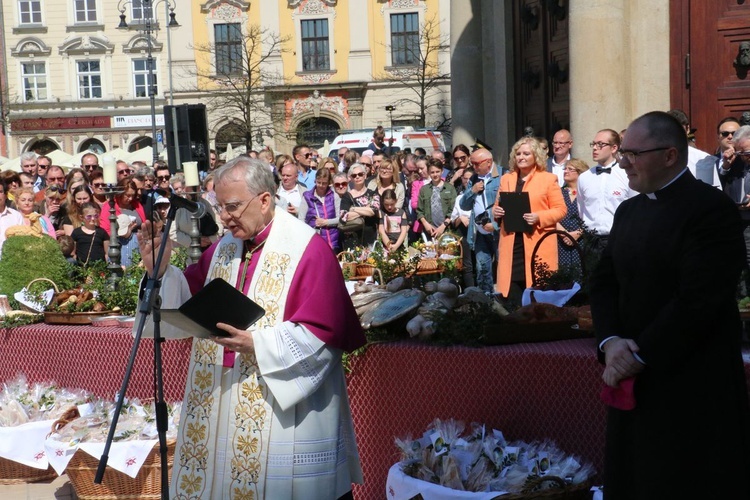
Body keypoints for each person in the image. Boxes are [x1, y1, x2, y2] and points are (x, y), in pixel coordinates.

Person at [136, 157, 365, 499]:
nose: (224, 217)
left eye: (232, 207)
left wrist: (259, 344)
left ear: (264, 199)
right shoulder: (223, 250)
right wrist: (161, 271)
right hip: (225, 401)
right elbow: (182, 303)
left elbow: (324, 336)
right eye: (220, 207)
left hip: (282, 408)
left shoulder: (307, 250)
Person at [592, 111, 750, 499]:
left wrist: (640, 354)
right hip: (634, 371)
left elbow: (700, 298)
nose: (623, 162)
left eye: (633, 154)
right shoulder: (630, 210)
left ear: (669, 155)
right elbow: (603, 281)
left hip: (692, 380)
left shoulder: (711, 210)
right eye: (623, 152)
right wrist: (610, 341)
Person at [492, 137, 566, 303]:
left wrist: (539, 217)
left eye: (526, 153)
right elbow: (498, 207)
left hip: (537, 245)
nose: (521, 157)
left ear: (536, 156)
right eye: (518, 154)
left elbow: (560, 210)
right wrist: (496, 212)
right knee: (511, 297)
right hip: (511, 247)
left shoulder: (548, 179)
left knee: (536, 300)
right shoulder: (506, 178)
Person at [576, 129, 635, 253]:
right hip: (591, 242)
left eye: (601, 144)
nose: (595, 148)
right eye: (594, 144)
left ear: (614, 148)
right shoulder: (584, 178)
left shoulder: (626, 175)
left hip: (619, 240)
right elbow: (582, 210)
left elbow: (635, 209)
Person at [460, 147, 501, 294]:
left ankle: (505, 302)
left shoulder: (503, 175)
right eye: (472, 164)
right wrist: (472, 191)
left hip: (499, 231)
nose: (474, 167)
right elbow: (463, 205)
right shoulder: (473, 179)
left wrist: (495, 225)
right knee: (482, 267)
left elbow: (509, 205)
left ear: (488, 162)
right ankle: (485, 301)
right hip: (480, 233)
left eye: (477, 164)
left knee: (503, 267)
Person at [100, 177, 145, 267]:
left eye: (133, 195)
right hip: (120, 245)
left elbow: (144, 222)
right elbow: (105, 230)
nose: (130, 198)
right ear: (120, 193)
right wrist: (127, 230)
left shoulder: (136, 205)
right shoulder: (110, 206)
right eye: (127, 195)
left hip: (139, 243)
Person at [556, 158, 588, 270]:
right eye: (565, 169)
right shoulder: (557, 192)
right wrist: (564, 234)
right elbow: (552, 216)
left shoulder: (587, 192)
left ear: (580, 172)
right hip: (560, 241)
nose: (566, 171)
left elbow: (593, 216)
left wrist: (578, 233)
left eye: (570, 169)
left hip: (582, 240)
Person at [340, 163, 380, 249]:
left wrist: (353, 208)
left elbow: (374, 211)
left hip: (370, 237)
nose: (357, 177)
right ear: (351, 178)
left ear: (365, 176)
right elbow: (344, 216)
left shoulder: (373, 193)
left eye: (360, 174)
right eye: (354, 175)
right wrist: (366, 209)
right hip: (352, 239)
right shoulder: (347, 196)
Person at [417, 157, 457, 239]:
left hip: (446, 229)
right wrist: (425, 224)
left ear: (442, 171)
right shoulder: (424, 189)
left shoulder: (450, 188)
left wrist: (443, 226)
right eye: (432, 172)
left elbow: (453, 210)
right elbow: (420, 211)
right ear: (428, 172)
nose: (435, 175)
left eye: (437, 172)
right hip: (429, 229)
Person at [303, 167, 341, 253]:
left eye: (324, 183)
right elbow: (301, 220)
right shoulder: (307, 197)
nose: (321, 185)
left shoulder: (335, 196)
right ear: (315, 181)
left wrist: (325, 222)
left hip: (333, 240)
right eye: (318, 182)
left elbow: (340, 219)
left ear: (328, 183)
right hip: (315, 239)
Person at [451, 167, 475, 288]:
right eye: (465, 178)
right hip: (464, 233)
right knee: (467, 265)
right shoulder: (459, 198)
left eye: (470, 179)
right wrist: (461, 218)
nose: (467, 181)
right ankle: (470, 292)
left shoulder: (480, 195)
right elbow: (453, 222)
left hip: (478, 232)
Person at [276, 155, 308, 220]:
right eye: (283, 175)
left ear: (296, 177)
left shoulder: (304, 191)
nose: (285, 178)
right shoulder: (275, 190)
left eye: (288, 176)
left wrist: (298, 211)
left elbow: (312, 211)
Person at [378, 188, 409, 253]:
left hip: (399, 245)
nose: (389, 207)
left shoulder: (401, 213)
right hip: (385, 246)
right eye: (386, 204)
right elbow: (381, 231)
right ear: (382, 203)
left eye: (391, 204)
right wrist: (388, 245)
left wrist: (396, 245)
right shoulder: (381, 213)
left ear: (396, 201)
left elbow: (404, 231)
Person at [0, 180, 24, 258]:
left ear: (6, 195)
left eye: (0, 192)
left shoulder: (16, 216)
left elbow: (22, 239)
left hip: (12, 259)